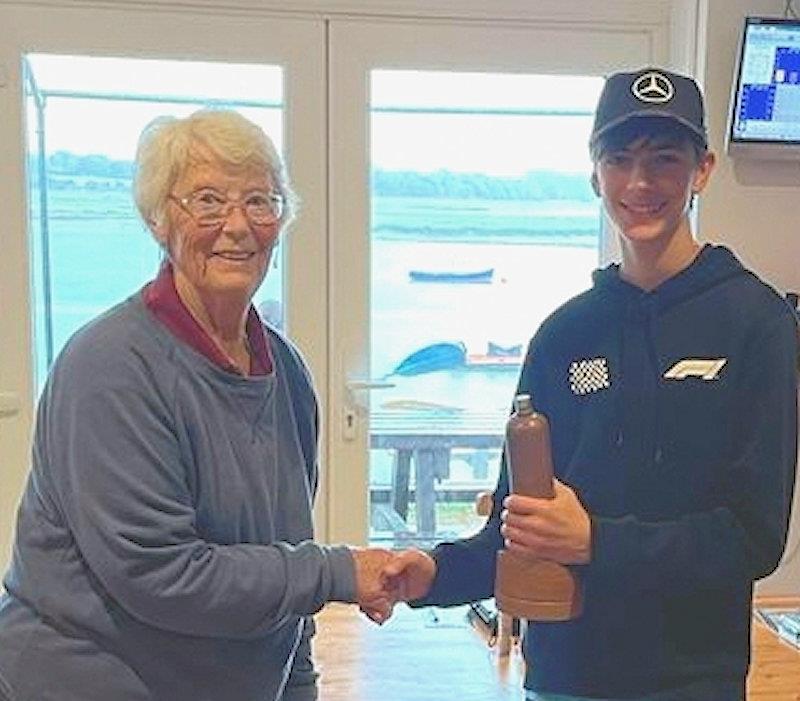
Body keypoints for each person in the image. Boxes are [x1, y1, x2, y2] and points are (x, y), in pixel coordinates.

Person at [385, 67, 799, 700]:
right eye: (619, 158)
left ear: (703, 171)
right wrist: (434, 572)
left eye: (665, 159)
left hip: (691, 680)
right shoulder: (564, 333)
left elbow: (752, 538)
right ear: (594, 174)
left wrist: (595, 541)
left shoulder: (757, 323)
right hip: (565, 677)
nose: (640, 182)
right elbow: (517, 519)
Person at [0, 110, 393, 701]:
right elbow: (160, 575)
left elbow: (285, 566)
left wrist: (299, 687)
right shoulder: (110, 366)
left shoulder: (285, 371)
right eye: (207, 201)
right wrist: (337, 572)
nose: (237, 225)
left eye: (261, 201)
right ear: (159, 219)